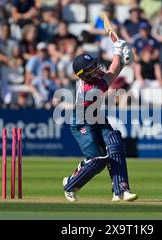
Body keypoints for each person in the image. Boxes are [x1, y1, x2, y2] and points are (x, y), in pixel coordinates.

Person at [62, 39, 138, 202]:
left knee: (115, 143)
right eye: (91, 69)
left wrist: (123, 61)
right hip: (81, 123)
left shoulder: (93, 77)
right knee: (97, 161)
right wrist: (118, 52)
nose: (95, 70)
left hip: (96, 116)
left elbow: (113, 71)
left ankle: (121, 190)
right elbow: (111, 74)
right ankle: (70, 184)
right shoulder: (90, 90)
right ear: (83, 75)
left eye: (94, 66)